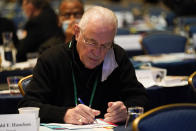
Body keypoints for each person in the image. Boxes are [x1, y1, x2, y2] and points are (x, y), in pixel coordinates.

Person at [18, 6, 148, 124]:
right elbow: (27, 106)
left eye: (105, 45)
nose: (97, 52)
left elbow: (140, 97)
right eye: (91, 42)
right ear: (77, 33)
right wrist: (64, 114)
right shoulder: (52, 59)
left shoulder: (116, 55)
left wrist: (126, 110)